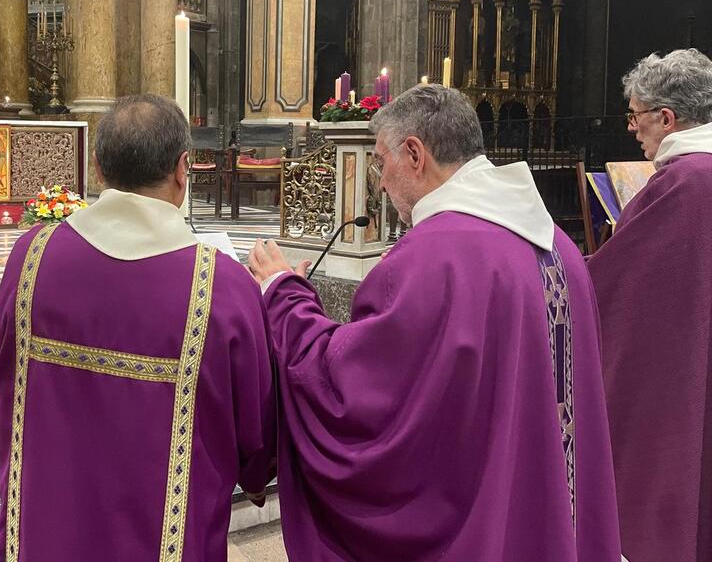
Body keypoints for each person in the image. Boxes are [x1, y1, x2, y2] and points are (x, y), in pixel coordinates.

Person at [248, 84, 620, 561]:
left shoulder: (434, 260)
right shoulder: (560, 248)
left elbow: (350, 394)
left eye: (382, 161)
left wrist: (281, 293)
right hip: (545, 520)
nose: (380, 182)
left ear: (415, 154)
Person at [0, 94, 275, 561]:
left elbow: (9, 384)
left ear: (99, 168)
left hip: (45, 538)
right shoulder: (220, 286)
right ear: (184, 169)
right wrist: (257, 469)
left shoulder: (31, 258)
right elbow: (256, 429)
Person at [587, 48, 712, 562]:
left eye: (636, 117)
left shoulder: (685, 184)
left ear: (667, 117)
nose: (633, 130)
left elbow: (619, 284)